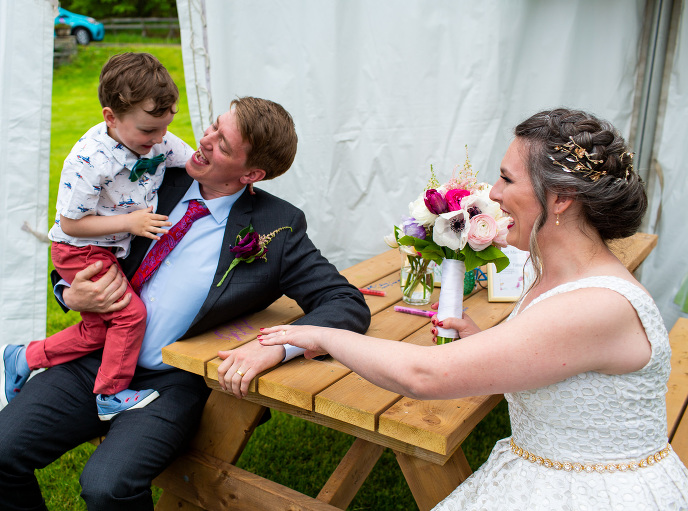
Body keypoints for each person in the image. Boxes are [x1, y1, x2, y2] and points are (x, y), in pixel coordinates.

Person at [259, 108, 688, 509]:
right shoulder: (561, 274)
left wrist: (325, 334)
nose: (495, 194)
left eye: (506, 179)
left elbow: (423, 375)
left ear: (561, 198)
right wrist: (487, 344)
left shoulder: (596, 305)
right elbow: (562, 367)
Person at [0, 96, 371, 510]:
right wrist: (68, 293)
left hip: (170, 379)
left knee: (107, 486)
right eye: (212, 126)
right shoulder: (150, 175)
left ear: (252, 173)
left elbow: (345, 302)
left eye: (223, 145)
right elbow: (78, 241)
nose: (205, 140)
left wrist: (274, 348)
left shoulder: (276, 227)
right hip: (95, 357)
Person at [0, 52, 194, 420]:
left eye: (165, 127)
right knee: (129, 316)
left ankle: (23, 357)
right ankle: (110, 394)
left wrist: (232, 181)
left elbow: (192, 160)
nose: (159, 140)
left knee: (96, 332)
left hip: (105, 249)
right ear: (111, 117)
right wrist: (130, 223)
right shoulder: (88, 160)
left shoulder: (158, 140)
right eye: (148, 131)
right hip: (80, 249)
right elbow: (71, 224)